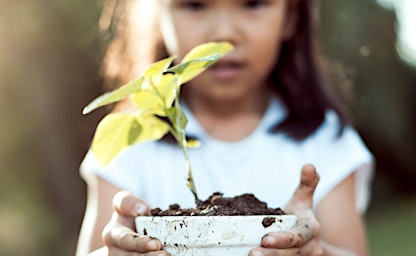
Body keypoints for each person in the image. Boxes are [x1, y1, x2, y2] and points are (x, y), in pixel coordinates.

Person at [77, 0, 374, 255]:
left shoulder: (324, 139)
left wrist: (316, 251)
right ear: (158, 14)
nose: (223, 32)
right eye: (195, 4)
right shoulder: (129, 145)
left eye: (253, 3)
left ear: (291, 17)